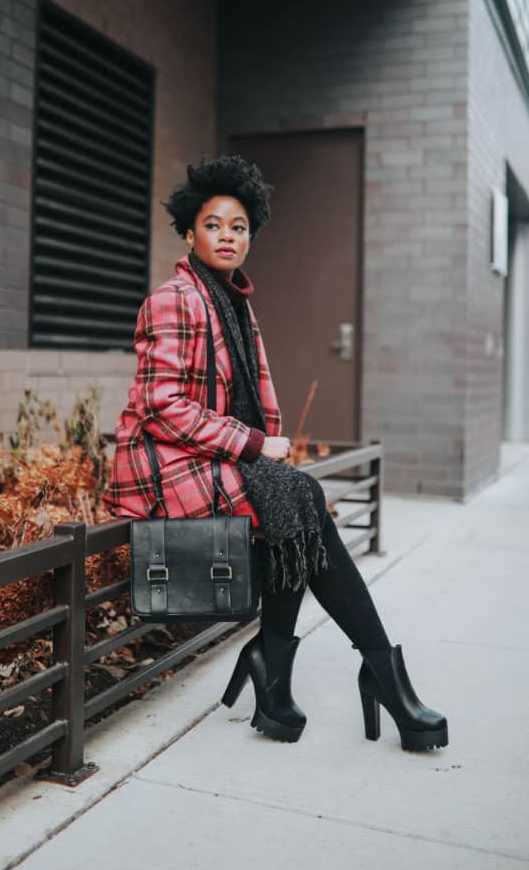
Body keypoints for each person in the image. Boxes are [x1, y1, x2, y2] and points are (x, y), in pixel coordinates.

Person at [103, 154, 448, 750]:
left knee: (293, 506)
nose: (228, 236)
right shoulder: (175, 299)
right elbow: (161, 407)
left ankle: (278, 671)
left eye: (239, 227)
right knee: (301, 496)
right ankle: (379, 673)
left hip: (211, 455)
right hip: (164, 464)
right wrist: (257, 444)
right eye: (214, 225)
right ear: (190, 232)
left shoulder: (232, 301)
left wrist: (256, 450)